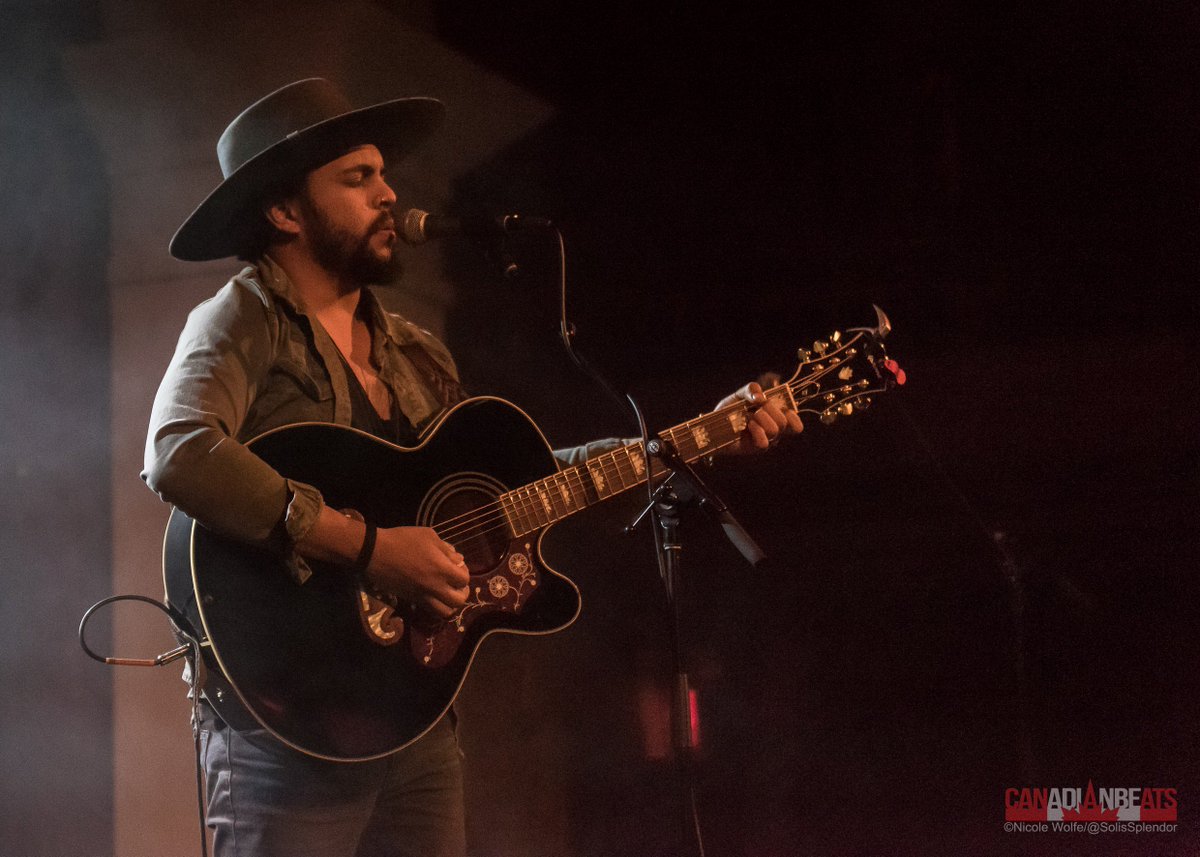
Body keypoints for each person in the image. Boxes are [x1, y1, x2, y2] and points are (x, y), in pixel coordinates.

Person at [143, 78, 801, 857]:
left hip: (413, 722)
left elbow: (517, 489)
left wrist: (696, 441)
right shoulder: (241, 319)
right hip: (285, 732)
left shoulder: (415, 349)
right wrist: (370, 547)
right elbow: (179, 450)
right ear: (285, 211)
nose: (390, 194)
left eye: (385, 174)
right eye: (358, 179)